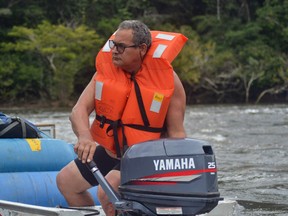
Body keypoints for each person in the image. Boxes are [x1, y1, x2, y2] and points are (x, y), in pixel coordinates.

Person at [56, 20, 187, 216]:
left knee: (107, 190)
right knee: (66, 181)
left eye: (121, 47)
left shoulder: (168, 82)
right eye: (112, 44)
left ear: (141, 49)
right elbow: (79, 110)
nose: (114, 51)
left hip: (145, 157)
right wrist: (84, 136)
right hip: (112, 151)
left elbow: (177, 133)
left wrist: (177, 175)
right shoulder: (105, 73)